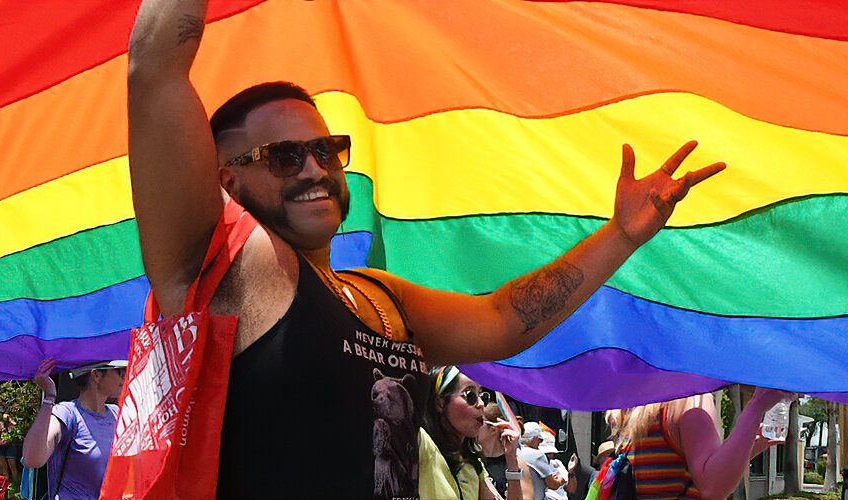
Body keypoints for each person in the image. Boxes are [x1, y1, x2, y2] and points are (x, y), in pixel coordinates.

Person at [126, 0, 727, 495]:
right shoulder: (222, 269)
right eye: (284, 156)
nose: (314, 168)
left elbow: (504, 319)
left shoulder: (380, 295)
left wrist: (619, 235)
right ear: (225, 180)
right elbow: (154, 70)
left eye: (327, 150)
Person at [614, 389, 792, 499]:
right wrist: (757, 405)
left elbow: (667, 476)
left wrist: (747, 447)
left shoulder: (636, 405)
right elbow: (712, 488)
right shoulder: (691, 400)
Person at [419, 366, 533, 500]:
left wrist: (511, 460)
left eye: (482, 396)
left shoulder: (473, 464)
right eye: (470, 395)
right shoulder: (422, 443)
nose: (481, 404)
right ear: (441, 403)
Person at [22, 359, 125, 500]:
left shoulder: (117, 414)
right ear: (96, 375)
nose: (125, 376)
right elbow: (32, 459)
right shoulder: (67, 413)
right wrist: (49, 397)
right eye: (119, 371)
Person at [519, 423, 569, 500]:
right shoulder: (537, 455)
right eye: (540, 439)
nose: (540, 442)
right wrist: (562, 479)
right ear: (535, 438)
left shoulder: (515, 452)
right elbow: (553, 484)